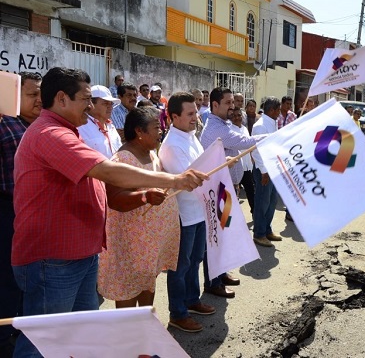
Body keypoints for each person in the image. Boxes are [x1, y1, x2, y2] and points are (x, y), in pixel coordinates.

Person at [11, 67, 209, 357]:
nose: (91, 107)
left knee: (79, 338)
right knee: (44, 344)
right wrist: (173, 180)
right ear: (62, 99)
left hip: (76, 256)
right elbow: (108, 170)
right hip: (52, 261)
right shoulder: (50, 134)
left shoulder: (68, 132)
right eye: (86, 99)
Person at [98, 107, 180, 309]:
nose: (161, 130)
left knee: (147, 284)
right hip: (131, 245)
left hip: (148, 247)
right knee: (128, 287)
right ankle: (128, 337)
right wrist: (145, 196)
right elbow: (116, 198)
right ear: (139, 132)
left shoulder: (151, 154)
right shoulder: (123, 159)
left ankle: (144, 328)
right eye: (155, 127)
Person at [200, 87, 268, 298]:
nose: (233, 106)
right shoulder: (216, 128)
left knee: (224, 235)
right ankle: (213, 282)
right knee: (216, 238)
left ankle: (220, 275)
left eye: (233, 102)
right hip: (217, 190)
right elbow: (244, 143)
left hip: (227, 187)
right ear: (215, 105)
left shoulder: (224, 124)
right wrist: (275, 137)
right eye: (228, 103)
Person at [158, 92, 217, 333]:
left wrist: (222, 165)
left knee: (195, 261)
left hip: (199, 212)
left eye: (196, 112)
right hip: (184, 216)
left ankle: (192, 300)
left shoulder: (191, 137)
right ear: (174, 117)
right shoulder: (172, 145)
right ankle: (177, 313)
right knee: (180, 266)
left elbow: (204, 167)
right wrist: (216, 173)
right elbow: (189, 182)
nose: (196, 117)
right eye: (190, 113)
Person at [0, 71, 42, 356]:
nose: (38, 100)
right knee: (8, 279)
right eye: (31, 94)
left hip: (35, 213)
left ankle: (18, 331)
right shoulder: (5, 126)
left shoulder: (42, 126)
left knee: (30, 278)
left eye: (41, 93)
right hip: (8, 211)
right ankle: (4, 341)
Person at [251, 96, 282, 247]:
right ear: (271, 110)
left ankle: (267, 229)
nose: (280, 113)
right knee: (262, 202)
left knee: (272, 201)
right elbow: (256, 151)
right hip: (263, 170)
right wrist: (264, 171)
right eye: (278, 110)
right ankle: (259, 234)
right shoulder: (260, 125)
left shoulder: (272, 123)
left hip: (273, 168)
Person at [78, 85, 122, 158]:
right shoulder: (81, 127)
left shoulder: (111, 127)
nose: (110, 107)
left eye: (111, 103)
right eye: (105, 103)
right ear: (91, 104)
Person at [230, 107, 255, 214]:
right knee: (233, 195)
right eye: (234, 115)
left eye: (239, 115)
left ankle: (255, 213)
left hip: (246, 167)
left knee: (251, 192)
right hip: (235, 168)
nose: (237, 118)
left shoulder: (244, 129)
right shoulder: (229, 130)